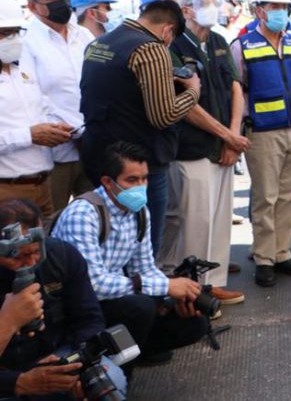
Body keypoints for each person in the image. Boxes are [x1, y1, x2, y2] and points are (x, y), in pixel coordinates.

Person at [51, 142, 206, 367]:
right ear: (107, 182)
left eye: (144, 179)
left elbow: (144, 268)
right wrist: (165, 286)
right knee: (140, 306)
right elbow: (93, 285)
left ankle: (136, 350)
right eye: (131, 180)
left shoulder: (139, 212)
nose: (140, 187)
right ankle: (115, 368)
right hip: (79, 308)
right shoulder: (83, 214)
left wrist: (175, 297)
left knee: (194, 322)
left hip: (113, 298)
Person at [80, 0, 199, 255]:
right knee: (143, 245)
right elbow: (163, 116)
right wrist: (193, 91)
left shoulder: (99, 43)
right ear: (168, 30)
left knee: (111, 241)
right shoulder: (151, 49)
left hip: (100, 156)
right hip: (139, 165)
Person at [158, 0, 248, 307]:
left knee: (220, 219)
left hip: (224, 146)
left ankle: (214, 282)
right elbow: (185, 104)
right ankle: (192, 290)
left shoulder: (219, 41)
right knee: (194, 221)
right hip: (192, 148)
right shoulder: (172, 46)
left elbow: (235, 86)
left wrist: (233, 136)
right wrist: (227, 136)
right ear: (186, 9)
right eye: (205, 1)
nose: (215, 5)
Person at [231, 0, 291, 287]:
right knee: (265, 197)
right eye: (274, 6)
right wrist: (236, 132)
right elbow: (236, 91)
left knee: (287, 195)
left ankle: (282, 253)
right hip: (262, 133)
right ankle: (264, 258)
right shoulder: (242, 45)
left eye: (284, 6)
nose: (281, 11)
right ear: (259, 10)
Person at [0, 199, 128, 399]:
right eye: (19, 257)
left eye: (37, 251)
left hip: (58, 353)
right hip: (6, 371)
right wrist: (9, 322)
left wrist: (78, 363)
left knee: (109, 378)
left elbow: (88, 319)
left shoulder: (61, 255)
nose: (31, 262)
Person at [20, 0, 95, 215]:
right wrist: (70, 131)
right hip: (56, 152)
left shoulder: (83, 36)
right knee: (53, 219)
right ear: (33, 6)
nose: (62, 2)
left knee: (96, 218)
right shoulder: (26, 43)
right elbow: (31, 95)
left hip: (94, 144)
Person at [0, 0, 73, 217]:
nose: (13, 39)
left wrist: (55, 127)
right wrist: (29, 136)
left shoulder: (22, 68)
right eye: (5, 33)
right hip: (7, 191)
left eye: (16, 31)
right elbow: (29, 132)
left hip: (43, 187)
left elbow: (43, 107)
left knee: (46, 239)